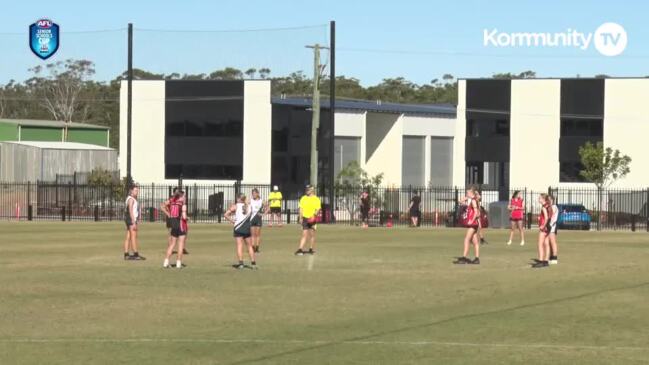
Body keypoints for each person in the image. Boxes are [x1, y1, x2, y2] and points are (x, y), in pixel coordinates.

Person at [224, 194, 257, 270]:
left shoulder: (235, 206)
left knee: (239, 245)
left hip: (238, 227)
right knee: (249, 246)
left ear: (238, 198)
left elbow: (225, 215)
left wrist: (232, 221)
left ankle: (241, 263)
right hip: (247, 228)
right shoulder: (249, 206)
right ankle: (253, 263)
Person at [161, 189, 188, 268]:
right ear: (181, 196)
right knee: (180, 244)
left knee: (172, 244)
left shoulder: (172, 202)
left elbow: (163, 206)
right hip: (181, 225)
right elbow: (184, 216)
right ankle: (178, 263)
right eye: (184, 196)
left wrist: (168, 214)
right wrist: (186, 218)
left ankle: (166, 262)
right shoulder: (182, 204)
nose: (185, 198)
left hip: (173, 225)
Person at [454, 187, 481, 265]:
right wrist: (466, 197)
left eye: (467, 193)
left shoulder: (473, 200)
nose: (466, 194)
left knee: (466, 239)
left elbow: (476, 212)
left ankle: (464, 258)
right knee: (475, 241)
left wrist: (471, 220)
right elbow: (460, 201)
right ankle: (477, 258)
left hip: (473, 224)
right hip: (475, 223)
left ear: (471, 193)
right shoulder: (474, 199)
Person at [294, 185, 321, 256]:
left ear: (312, 190)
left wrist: (314, 215)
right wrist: (300, 218)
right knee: (304, 234)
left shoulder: (316, 199)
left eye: (308, 189)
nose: (306, 191)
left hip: (312, 219)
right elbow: (301, 209)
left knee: (312, 235)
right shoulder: (303, 198)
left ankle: (311, 249)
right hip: (305, 218)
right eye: (306, 189)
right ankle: (300, 249)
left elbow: (318, 209)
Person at [123, 185, 145, 261]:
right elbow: (130, 210)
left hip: (128, 219)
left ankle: (126, 254)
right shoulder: (131, 199)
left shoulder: (131, 198)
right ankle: (136, 254)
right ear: (131, 191)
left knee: (128, 236)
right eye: (135, 190)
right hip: (131, 219)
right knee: (133, 236)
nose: (137, 192)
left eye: (137, 190)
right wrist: (133, 221)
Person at [532, 194, 551, 268]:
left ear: (543, 199)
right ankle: (546, 261)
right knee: (546, 244)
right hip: (548, 227)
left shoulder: (544, 207)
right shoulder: (548, 206)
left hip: (544, 227)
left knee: (540, 244)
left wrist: (543, 225)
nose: (538, 199)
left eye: (539, 198)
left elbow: (546, 218)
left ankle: (540, 261)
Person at [250, 188, 268, 253]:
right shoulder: (250, 201)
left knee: (257, 234)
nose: (253, 195)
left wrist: (263, 214)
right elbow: (245, 206)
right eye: (252, 194)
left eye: (254, 193)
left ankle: (257, 248)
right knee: (252, 234)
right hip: (251, 219)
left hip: (258, 219)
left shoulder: (261, 201)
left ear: (257, 194)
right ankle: (252, 247)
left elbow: (268, 207)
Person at [547, 195, 559, 265]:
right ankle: (551, 257)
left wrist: (550, 225)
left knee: (553, 242)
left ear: (552, 200)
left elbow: (553, 218)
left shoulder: (554, 207)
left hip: (552, 226)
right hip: (550, 225)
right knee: (550, 242)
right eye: (548, 200)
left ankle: (554, 257)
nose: (549, 201)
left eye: (550, 200)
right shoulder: (550, 207)